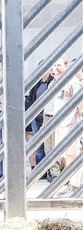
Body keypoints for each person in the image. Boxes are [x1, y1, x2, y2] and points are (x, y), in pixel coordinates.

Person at [50, 57, 83, 197]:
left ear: (66, 65)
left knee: (73, 156)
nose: (55, 68)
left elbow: (80, 103)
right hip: (61, 126)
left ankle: (75, 187)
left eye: (59, 65)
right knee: (66, 157)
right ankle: (71, 185)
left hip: (72, 126)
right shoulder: (57, 83)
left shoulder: (72, 82)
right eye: (53, 65)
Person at [26, 66, 54, 177]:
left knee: (48, 144)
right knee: (38, 145)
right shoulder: (37, 83)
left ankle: (48, 169)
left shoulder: (52, 81)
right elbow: (31, 99)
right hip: (36, 116)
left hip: (47, 115)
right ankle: (40, 171)